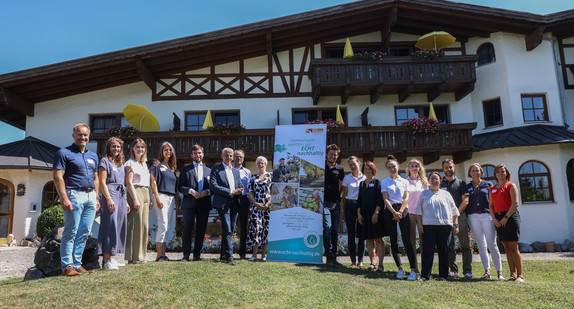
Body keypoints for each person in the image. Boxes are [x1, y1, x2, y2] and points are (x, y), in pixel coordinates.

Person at [53, 123, 100, 276]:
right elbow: (57, 176)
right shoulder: (63, 153)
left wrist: (96, 197)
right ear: (73, 135)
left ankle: (77, 264)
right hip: (73, 194)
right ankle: (66, 266)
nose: (83, 137)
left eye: (85, 135)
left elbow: (96, 177)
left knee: (85, 232)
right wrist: (63, 197)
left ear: (89, 136)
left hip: (90, 196)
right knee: (71, 231)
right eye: (79, 134)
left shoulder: (93, 155)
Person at [413, 172, 460, 281]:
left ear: (440, 181)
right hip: (428, 226)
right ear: (429, 181)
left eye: (437, 179)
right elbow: (418, 211)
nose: (434, 181)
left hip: (445, 226)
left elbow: (454, 211)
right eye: (432, 179)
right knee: (428, 251)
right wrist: (419, 225)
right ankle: (425, 275)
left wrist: (455, 224)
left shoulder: (446, 194)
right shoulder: (424, 194)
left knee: (444, 251)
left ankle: (443, 275)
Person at [381, 155, 419, 280]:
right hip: (390, 211)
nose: (392, 169)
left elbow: (406, 197)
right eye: (389, 167)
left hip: (403, 211)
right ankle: (400, 269)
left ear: (398, 167)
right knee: (393, 240)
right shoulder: (385, 182)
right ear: (387, 169)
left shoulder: (405, 181)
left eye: (394, 167)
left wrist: (400, 212)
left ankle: (413, 269)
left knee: (407, 240)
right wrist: (393, 212)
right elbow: (385, 199)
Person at [467, 163, 504, 280]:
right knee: (481, 246)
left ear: (481, 172)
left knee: (492, 244)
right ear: (470, 173)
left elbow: (493, 201)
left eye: (477, 170)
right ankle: (487, 271)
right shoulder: (467, 186)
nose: (475, 173)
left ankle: (499, 272)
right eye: (473, 171)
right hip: (473, 217)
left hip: (487, 215)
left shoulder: (488, 184)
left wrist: (495, 216)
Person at [97, 137, 129, 270]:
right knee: (109, 225)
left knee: (118, 226)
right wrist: (109, 199)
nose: (116, 149)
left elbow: (124, 183)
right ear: (109, 147)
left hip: (121, 195)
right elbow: (102, 181)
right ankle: (106, 260)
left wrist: (126, 202)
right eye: (113, 146)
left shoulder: (121, 163)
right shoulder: (104, 161)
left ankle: (112, 258)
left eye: (118, 147)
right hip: (110, 194)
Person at [489, 163, 524, 282]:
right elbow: (491, 206)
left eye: (502, 171)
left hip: (510, 217)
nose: (500, 174)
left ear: (506, 173)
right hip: (498, 219)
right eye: (498, 172)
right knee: (507, 248)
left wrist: (505, 218)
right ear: (495, 174)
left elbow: (515, 204)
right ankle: (512, 274)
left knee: (514, 247)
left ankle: (520, 275)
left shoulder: (511, 185)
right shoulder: (492, 188)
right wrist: (495, 220)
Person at [210, 147, 243, 265]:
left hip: (234, 203)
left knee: (230, 229)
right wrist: (230, 191)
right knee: (228, 228)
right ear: (222, 156)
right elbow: (213, 186)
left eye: (230, 156)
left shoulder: (236, 171)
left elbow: (239, 184)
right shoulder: (216, 169)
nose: (229, 158)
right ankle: (230, 257)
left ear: (233, 157)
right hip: (222, 203)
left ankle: (223, 254)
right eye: (226, 155)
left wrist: (240, 189)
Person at [179, 144, 211, 261]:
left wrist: (207, 192)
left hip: (204, 203)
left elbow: (212, 187)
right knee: (187, 228)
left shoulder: (209, 171)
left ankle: (197, 255)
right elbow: (180, 187)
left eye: (199, 153)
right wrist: (190, 191)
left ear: (203, 154)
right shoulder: (185, 169)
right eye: (195, 153)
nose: (197, 155)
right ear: (192, 155)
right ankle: (186, 255)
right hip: (189, 203)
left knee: (201, 229)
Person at [441, 159, 472, 279]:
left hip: (460, 217)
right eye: (446, 167)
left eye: (450, 167)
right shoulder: (440, 184)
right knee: (450, 246)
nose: (449, 169)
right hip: (444, 219)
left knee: (465, 244)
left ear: (453, 168)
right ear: (443, 169)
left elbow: (466, 200)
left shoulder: (461, 183)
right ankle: (453, 270)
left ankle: (467, 271)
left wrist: (456, 214)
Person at [149, 142, 178, 262]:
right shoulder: (156, 166)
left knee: (168, 227)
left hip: (171, 198)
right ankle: (159, 255)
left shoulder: (172, 168)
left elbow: (175, 187)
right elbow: (153, 182)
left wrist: (176, 201)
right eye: (166, 150)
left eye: (170, 150)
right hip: (161, 196)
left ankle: (163, 254)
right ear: (162, 151)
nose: (168, 152)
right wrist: (157, 198)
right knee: (163, 224)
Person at [125, 138, 151, 264]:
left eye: (142, 147)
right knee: (135, 225)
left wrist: (149, 199)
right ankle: (133, 257)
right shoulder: (130, 163)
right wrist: (135, 199)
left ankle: (141, 255)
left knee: (145, 226)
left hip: (146, 192)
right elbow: (128, 182)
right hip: (135, 192)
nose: (140, 149)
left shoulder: (144, 164)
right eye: (137, 147)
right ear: (133, 149)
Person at [357, 161, 386, 273]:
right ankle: (372, 262)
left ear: (373, 170)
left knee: (378, 239)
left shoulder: (378, 182)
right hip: (364, 214)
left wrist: (376, 213)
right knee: (368, 239)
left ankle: (381, 265)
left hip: (376, 214)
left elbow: (380, 199)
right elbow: (359, 200)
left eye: (369, 168)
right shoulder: (362, 184)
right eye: (365, 169)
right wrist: (359, 214)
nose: (367, 171)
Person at [341, 156, 366, 268]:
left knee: (361, 234)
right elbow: (344, 196)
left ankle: (361, 261)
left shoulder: (365, 177)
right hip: (350, 206)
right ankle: (353, 262)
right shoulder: (347, 178)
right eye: (350, 165)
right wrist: (343, 211)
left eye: (354, 164)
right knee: (351, 234)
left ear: (359, 163)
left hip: (361, 206)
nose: (352, 166)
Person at [247, 156, 272, 261]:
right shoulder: (253, 178)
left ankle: (263, 256)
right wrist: (255, 203)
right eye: (259, 163)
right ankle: (254, 255)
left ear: (266, 165)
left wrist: (268, 203)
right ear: (256, 165)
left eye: (263, 163)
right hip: (256, 208)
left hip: (267, 208)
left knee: (266, 230)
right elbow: (249, 192)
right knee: (256, 229)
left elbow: (274, 191)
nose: (261, 165)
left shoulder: (271, 176)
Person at [324, 144, 345, 267]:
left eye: (335, 155)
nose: (333, 156)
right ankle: (328, 255)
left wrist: (339, 197)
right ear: (327, 154)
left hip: (336, 203)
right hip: (324, 203)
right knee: (327, 227)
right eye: (331, 154)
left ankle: (334, 257)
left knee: (335, 231)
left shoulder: (340, 169)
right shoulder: (321, 167)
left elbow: (341, 186)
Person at [405, 158, 428, 257]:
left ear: (419, 168)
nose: (414, 168)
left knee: (424, 241)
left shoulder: (424, 182)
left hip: (423, 214)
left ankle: (425, 266)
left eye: (416, 166)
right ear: (409, 168)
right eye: (412, 166)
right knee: (412, 241)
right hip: (410, 214)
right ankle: (414, 267)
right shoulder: (405, 182)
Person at [234, 149, 252, 259]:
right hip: (232, 198)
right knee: (229, 226)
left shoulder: (247, 172)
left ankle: (242, 253)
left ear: (243, 158)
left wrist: (250, 204)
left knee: (243, 227)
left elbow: (250, 189)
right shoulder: (229, 170)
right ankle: (226, 252)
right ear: (233, 158)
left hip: (244, 199)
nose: (238, 158)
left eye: (240, 157)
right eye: (236, 156)